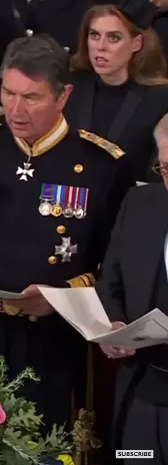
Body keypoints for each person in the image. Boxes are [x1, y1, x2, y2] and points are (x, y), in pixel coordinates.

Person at [0, 35, 134, 430]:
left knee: (47, 445)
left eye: (31, 97)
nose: (15, 109)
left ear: (63, 97)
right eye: (8, 93)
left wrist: (61, 297)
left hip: (56, 339)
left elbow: (115, 264)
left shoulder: (101, 165)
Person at [97, 112, 168, 462]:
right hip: (142, 390)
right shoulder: (140, 204)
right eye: (166, 169)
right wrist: (115, 326)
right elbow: (110, 282)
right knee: (135, 457)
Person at [65, 0, 168, 182]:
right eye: (94, 35)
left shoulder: (160, 99)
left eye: (113, 38)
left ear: (137, 44)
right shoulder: (70, 87)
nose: (100, 47)